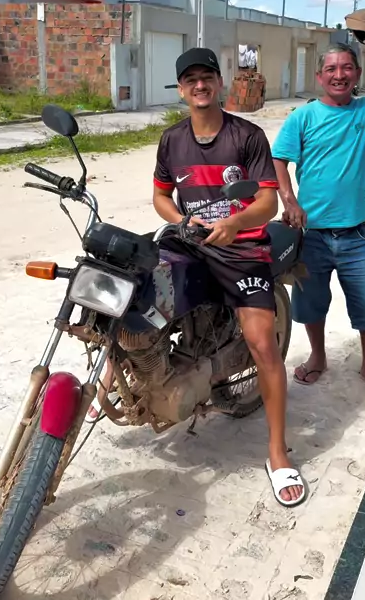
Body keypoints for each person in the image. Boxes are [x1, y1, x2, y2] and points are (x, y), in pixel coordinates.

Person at [153, 47, 305, 507]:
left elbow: (267, 203)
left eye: (207, 77)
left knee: (262, 344)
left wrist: (235, 224)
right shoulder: (171, 140)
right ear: (181, 90)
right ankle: (112, 386)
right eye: (190, 80)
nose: (199, 85)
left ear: (219, 84)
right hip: (190, 240)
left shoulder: (247, 135)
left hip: (242, 248)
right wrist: (182, 219)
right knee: (133, 290)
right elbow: (161, 197)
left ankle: (277, 453)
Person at [272, 16, 365, 400]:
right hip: (312, 234)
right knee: (311, 303)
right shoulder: (303, 116)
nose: (339, 75)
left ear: (356, 74)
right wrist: (289, 200)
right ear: (319, 77)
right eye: (331, 69)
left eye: (346, 68)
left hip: (359, 234)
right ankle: (318, 356)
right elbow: (279, 159)